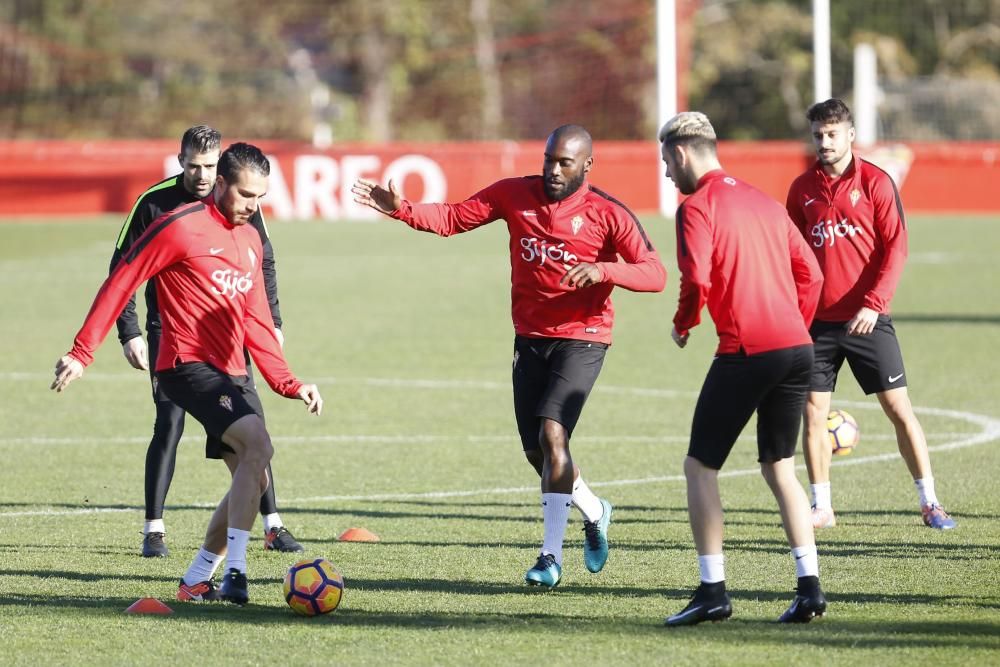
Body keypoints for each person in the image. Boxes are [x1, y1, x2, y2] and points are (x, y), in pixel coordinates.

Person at [351, 125, 666, 588]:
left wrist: (603, 269)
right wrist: (401, 209)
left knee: (553, 434)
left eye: (565, 163)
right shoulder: (514, 195)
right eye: (549, 159)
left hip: (584, 336)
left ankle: (550, 557)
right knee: (536, 452)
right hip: (530, 337)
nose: (553, 170)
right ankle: (596, 510)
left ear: (587, 165)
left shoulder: (606, 212)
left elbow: (655, 273)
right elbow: (454, 218)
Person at [52, 143, 323, 606]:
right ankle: (236, 574)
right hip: (184, 364)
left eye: (261, 197)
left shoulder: (252, 239)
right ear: (220, 183)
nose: (254, 206)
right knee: (257, 444)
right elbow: (121, 281)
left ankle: (197, 580)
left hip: (233, 370)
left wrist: (290, 383)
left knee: (253, 473)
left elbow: (257, 322)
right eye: (245, 195)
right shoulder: (178, 227)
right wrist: (83, 351)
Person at [659, 112, 827, 626]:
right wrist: (791, 328)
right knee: (780, 468)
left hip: (747, 350)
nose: (668, 173)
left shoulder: (697, 206)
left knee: (699, 467)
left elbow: (696, 277)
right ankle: (810, 589)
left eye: (667, 161)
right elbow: (813, 276)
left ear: (683, 153)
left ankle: (713, 591)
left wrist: (684, 322)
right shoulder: (763, 200)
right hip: (798, 348)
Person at [110, 125, 304, 557]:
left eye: (209, 166)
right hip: (172, 339)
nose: (201, 175)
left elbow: (262, 264)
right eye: (193, 166)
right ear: (180, 161)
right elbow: (121, 268)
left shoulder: (239, 200)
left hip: (228, 334)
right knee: (170, 426)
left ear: (220, 170)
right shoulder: (155, 203)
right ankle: (154, 530)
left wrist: (272, 322)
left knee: (251, 429)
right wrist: (131, 332)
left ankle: (273, 525)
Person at [786, 98, 956, 531]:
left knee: (899, 408)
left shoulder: (877, 183)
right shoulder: (801, 189)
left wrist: (873, 303)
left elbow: (896, 248)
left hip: (868, 318)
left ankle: (930, 501)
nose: (824, 142)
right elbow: (792, 252)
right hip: (818, 323)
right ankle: (821, 506)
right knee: (812, 414)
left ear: (850, 135)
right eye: (818, 135)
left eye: (832, 134)